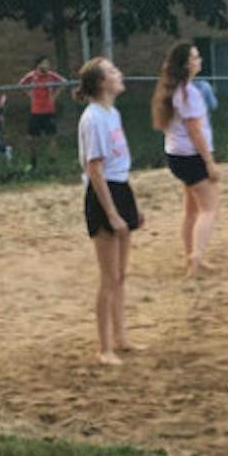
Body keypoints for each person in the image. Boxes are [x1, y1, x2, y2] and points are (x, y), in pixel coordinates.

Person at [77, 57, 142, 365]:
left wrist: (132, 207)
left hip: (120, 188)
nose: (120, 74)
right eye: (113, 72)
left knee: (120, 274)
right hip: (103, 195)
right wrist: (113, 214)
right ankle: (104, 348)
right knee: (108, 277)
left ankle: (122, 337)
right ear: (102, 82)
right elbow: (95, 169)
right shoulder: (93, 118)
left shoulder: (112, 113)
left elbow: (118, 166)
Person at [152, 40, 221, 278]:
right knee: (209, 209)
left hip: (177, 156)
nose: (199, 60)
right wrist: (209, 162)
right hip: (191, 157)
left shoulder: (174, 89)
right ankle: (196, 258)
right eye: (195, 57)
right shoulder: (188, 93)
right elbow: (195, 131)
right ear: (186, 64)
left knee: (192, 211)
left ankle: (192, 258)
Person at [17, 56, 65, 170]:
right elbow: (21, 84)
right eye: (44, 63)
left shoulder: (50, 75)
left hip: (49, 111)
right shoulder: (32, 76)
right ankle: (33, 162)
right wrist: (30, 94)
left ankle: (52, 162)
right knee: (31, 139)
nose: (47, 66)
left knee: (51, 137)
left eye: (48, 64)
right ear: (38, 65)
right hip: (36, 111)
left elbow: (63, 82)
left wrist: (54, 96)